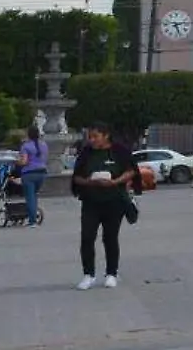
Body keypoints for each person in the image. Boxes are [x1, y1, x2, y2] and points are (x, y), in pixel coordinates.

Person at [70, 124, 138, 290]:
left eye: (95, 136)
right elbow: (76, 177)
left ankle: (111, 273)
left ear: (106, 135)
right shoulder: (86, 153)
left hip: (114, 200)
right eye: (90, 137)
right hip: (91, 201)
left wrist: (115, 181)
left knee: (110, 237)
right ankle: (88, 274)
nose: (92, 140)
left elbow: (131, 171)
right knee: (87, 237)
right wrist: (89, 182)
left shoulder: (119, 150)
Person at [17, 126, 48, 227]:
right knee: (34, 195)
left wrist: (17, 162)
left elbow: (24, 161)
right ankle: (34, 215)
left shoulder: (26, 146)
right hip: (42, 173)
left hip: (29, 174)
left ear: (28, 135)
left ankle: (32, 220)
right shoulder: (44, 145)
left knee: (30, 197)